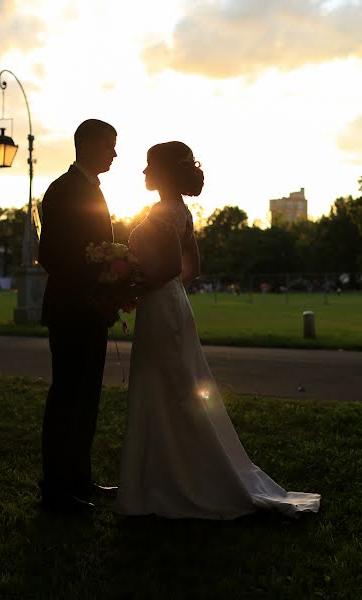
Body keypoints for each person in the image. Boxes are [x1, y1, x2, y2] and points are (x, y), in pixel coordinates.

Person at [116, 141, 320, 519]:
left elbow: (167, 268)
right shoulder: (180, 211)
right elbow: (190, 265)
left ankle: (175, 482)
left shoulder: (163, 213)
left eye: (148, 166)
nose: (143, 172)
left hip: (162, 307)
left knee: (169, 388)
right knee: (175, 386)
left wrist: (128, 287)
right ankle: (166, 477)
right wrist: (170, 288)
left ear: (163, 171)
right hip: (171, 304)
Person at [38, 119, 123, 513]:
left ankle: (79, 479)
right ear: (87, 144)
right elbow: (53, 257)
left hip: (92, 310)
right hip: (72, 309)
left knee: (87, 397)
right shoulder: (61, 191)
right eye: (110, 145)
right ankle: (55, 488)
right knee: (67, 397)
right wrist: (94, 289)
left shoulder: (89, 188)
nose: (115, 154)